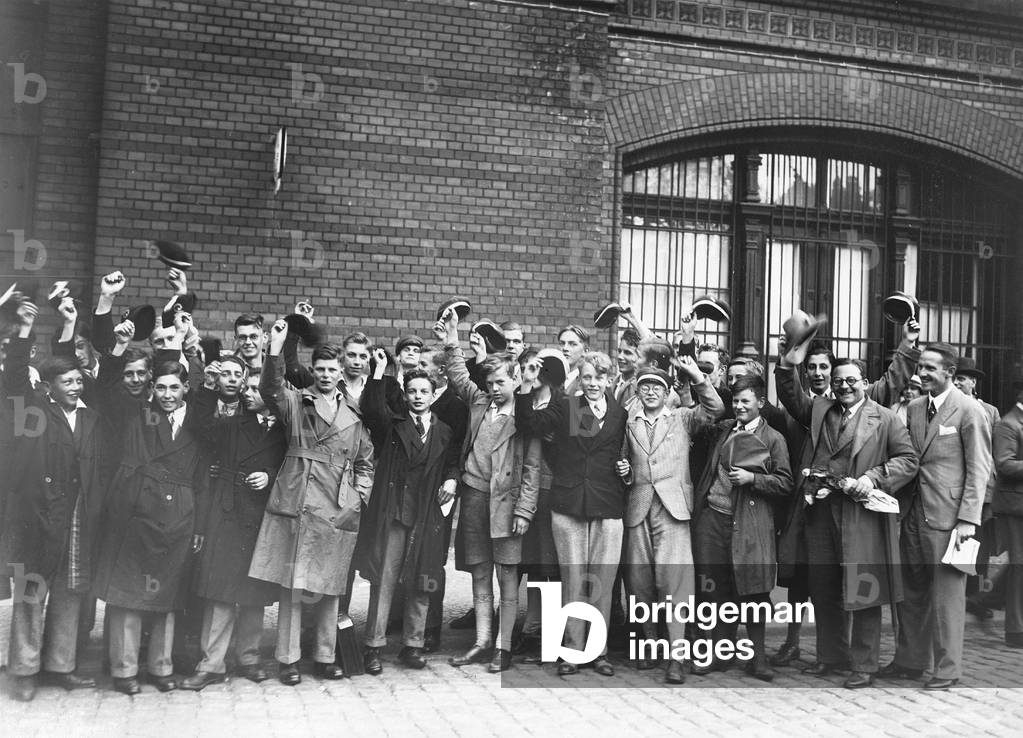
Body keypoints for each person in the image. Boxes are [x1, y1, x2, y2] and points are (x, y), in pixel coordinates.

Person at [776, 355, 918, 688]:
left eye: (852, 380)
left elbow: (908, 461)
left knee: (864, 588)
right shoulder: (820, 410)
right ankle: (831, 656)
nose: (844, 386)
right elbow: (790, 393)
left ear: (865, 382)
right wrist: (789, 363)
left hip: (861, 515)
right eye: (838, 381)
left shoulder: (885, 419)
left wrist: (873, 477)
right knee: (823, 588)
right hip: (820, 513)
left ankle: (864, 665)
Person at [248, 320, 375, 686]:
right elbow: (270, 388)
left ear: (341, 373)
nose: (325, 374)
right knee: (293, 583)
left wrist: (358, 497)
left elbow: (366, 461)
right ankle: (288, 660)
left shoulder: (354, 414)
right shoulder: (295, 401)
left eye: (332, 369)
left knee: (330, 585)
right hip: (298, 500)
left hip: (336, 507)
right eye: (319, 368)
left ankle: (324, 656)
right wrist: (275, 348)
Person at [2, 300, 112, 701]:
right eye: (67, 382)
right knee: (32, 596)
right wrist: (25, 332)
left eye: (78, 381)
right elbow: (14, 379)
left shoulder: (90, 417)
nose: (76, 386)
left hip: (79, 517)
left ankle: (60, 665)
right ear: (48, 387)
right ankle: (25, 671)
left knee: (70, 593)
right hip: (37, 519)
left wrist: (70, 324)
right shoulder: (33, 412)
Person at [92, 314, 206, 695]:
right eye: (160, 387)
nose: (167, 394)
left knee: (167, 592)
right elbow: (109, 386)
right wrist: (119, 347)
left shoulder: (198, 421)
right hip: (136, 512)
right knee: (126, 593)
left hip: (179, 515)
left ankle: (161, 667)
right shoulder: (137, 412)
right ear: (151, 389)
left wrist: (200, 526)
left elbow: (204, 477)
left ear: (186, 388)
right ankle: (124, 671)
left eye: (174, 387)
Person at [882, 343, 991, 690]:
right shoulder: (914, 408)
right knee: (911, 594)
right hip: (913, 515)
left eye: (930, 368)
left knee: (947, 599)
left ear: (950, 374)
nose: (922, 374)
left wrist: (968, 520)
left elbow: (979, 469)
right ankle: (910, 662)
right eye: (920, 367)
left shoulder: (969, 410)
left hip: (949, 521)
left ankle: (947, 669)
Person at [437, 312, 540, 673]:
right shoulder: (480, 403)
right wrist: (452, 337)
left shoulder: (526, 417)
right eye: (490, 382)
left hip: (508, 506)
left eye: (500, 382)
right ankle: (481, 642)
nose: (494, 388)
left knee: (506, 574)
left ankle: (503, 647)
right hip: (476, 497)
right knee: (480, 572)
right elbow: (459, 376)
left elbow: (532, 470)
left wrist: (525, 511)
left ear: (515, 379)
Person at [515, 349, 627, 677]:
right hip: (569, 505)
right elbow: (530, 424)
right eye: (587, 376)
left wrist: (626, 469)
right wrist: (525, 386)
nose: (593, 383)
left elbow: (620, 455)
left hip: (607, 506)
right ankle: (573, 651)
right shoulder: (568, 406)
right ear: (580, 377)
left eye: (599, 378)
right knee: (574, 581)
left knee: (603, 582)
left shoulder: (619, 413)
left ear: (610, 380)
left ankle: (600, 651)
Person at [180, 370, 287, 690]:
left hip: (263, 517)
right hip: (227, 515)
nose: (249, 394)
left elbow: (291, 467)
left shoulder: (287, 430)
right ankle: (211, 662)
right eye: (247, 388)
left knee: (254, 592)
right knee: (221, 591)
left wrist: (269, 476)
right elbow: (197, 426)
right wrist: (208, 385)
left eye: (257, 389)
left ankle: (248, 657)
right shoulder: (231, 425)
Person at [618, 360, 724, 684]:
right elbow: (624, 459)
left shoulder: (683, 418)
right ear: (637, 391)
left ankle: (676, 655)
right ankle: (650, 643)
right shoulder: (628, 422)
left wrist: (694, 376)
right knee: (639, 581)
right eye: (645, 386)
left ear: (667, 393)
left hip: (674, 508)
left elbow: (715, 408)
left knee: (675, 581)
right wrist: (624, 473)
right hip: (638, 507)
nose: (651, 391)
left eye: (658, 387)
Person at [357, 353, 459, 674]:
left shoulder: (444, 432)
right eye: (412, 391)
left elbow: (452, 462)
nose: (417, 397)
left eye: (423, 392)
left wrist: (453, 479)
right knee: (384, 580)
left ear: (433, 396)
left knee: (421, 581)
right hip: (395, 515)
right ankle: (373, 646)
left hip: (426, 516)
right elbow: (373, 410)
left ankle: (412, 646)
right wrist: (379, 371)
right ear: (406, 395)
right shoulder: (393, 426)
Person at [690, 374, 793, 682]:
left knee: (754, 591)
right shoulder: (722, 431)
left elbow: (786, 482)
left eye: (745, 401)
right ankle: (717, 653)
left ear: (761, 403)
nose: (739, 407)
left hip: (750, 522)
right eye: (735, 401)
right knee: (712, 589)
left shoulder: (773, 438)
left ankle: (758, 659)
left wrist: (754, 480)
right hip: (713, 519)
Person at [993, 379, 1023, 648]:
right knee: (1018, 566)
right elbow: (1004, 464)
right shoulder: (1009, 423)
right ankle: (1016, 630)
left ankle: (984, 599)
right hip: (1015, 507)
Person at [612, 328, 642, 407]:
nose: (620, 356)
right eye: (619, 351)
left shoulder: (640, 388)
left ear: (639, 356)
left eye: (627, 353)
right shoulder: (613, 384)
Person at [558, 325, 589, 395]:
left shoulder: (586, 383)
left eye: (572, 344)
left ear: (585, 351)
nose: (565, 348)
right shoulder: (552, 380)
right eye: (562, 343)